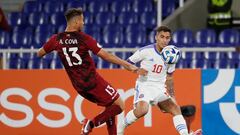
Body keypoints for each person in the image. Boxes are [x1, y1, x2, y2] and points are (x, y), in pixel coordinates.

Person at [37, 8, 147, 135]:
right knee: (119, 106)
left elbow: (39, 53)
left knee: (110, 106)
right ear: (77, 21)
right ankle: (91, 123)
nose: (83, 23)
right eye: (82, 20)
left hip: (78, 86)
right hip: (92, 81)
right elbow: (106, 55)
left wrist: (58, 48)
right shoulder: (83, 38)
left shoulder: (56, 39)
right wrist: (127, 65)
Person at [117, 26, 202, 135]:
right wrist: (137, 70)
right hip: (145, 85)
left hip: (160, 88)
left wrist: (172, 95)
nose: (164, 40)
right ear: (156, 37)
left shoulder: (171, 55)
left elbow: (170, 77)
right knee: (142, 110)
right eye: (162, 37)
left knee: (175, 108)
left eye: (167, 38)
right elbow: (127, 63)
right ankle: (122, 125)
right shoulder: (146, 51)